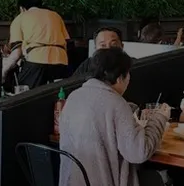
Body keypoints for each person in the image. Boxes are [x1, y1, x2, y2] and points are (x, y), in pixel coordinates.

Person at [59, 48, 169, 186]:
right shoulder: (116, 103)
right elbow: (139, 152)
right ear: (119, 78)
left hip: (73, 181)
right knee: (159, 178)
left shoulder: (74, 97)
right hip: (104, 182)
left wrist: (129, 109)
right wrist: (159, 118)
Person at [3, 0, 70, 88]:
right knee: (58, 94)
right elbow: (66, 43)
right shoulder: (56, 16)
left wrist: (3, 72)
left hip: (36, 60)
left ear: (22, 8)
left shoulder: (21, 18)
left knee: (25, 93)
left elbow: (16, 53)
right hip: (61, 60)